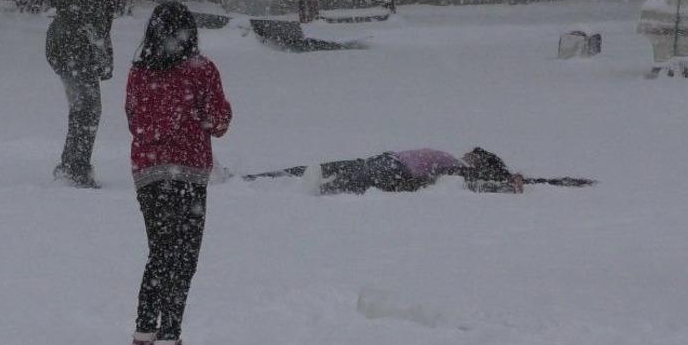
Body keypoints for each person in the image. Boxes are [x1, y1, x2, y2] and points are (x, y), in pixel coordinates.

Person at [125, 2, 232, 345]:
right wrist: (196, 120)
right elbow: (220, 121)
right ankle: (169, 337)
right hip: (188, 173)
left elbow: (133, 119)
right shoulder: (202, 71)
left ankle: (144, 331)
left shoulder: (138, 73)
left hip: (148, 174)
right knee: (183, 257)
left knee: (159, 252)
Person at [46, 0, 132, 187]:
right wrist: (103, 58)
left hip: (73, 49)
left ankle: (73, 166)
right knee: (87, 108)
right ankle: (74, 169)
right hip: (70, 49)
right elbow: (90, 24)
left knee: (84, 108)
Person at [244, 147, 595, 194]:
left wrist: (512, 181)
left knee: (351, 176)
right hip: (385, 161)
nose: (467, 155)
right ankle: (266, 177)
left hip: (393, 169)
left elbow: (487, 180)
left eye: (474, 155)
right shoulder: (453, 163)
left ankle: (319, 186)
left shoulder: (457, 169)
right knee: (339, 168)